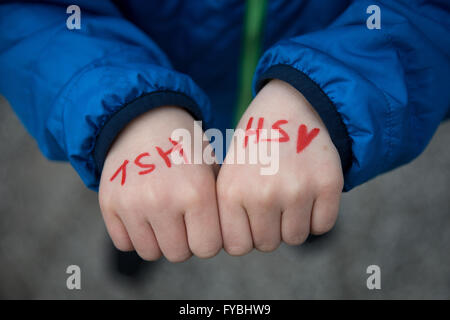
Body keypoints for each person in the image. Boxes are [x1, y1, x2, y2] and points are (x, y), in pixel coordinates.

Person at [0, 1, 448, 263]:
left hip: (308, 112)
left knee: (301, 196)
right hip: (151, 95)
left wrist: (330, 97)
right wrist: (120, 109)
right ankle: (141, 239)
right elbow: (28, 10)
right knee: (149, 207)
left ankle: (304, 219)